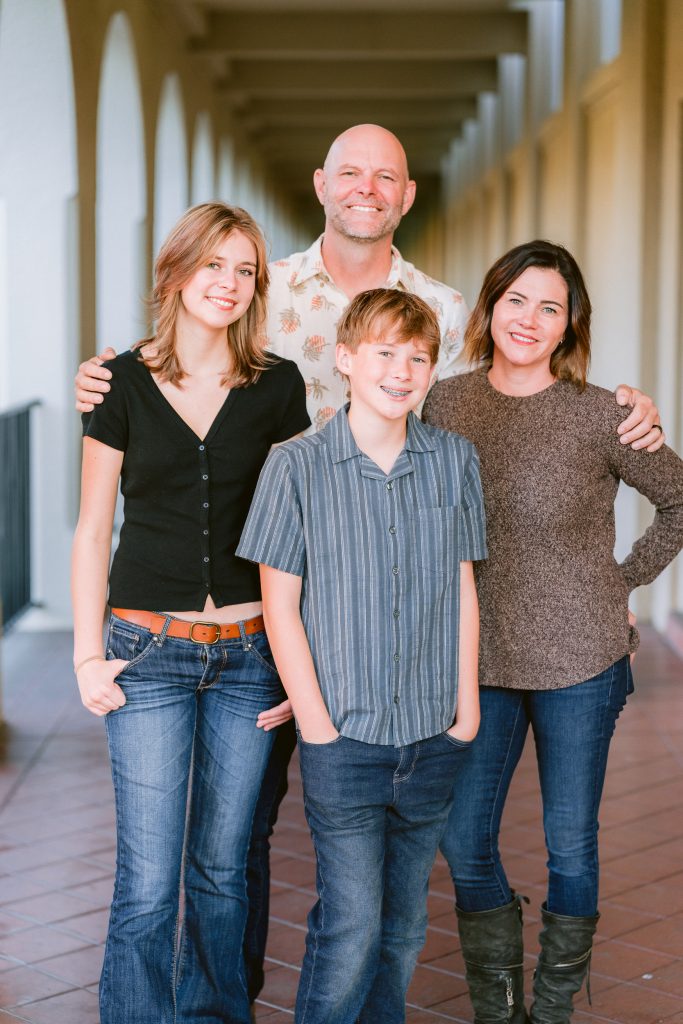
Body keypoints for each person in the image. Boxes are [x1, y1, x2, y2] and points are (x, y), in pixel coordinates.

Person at [72, 124, 664, 1003]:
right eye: (350, 172)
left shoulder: (443, 313)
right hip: (230, 613)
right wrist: (110, 372)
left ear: (407, 195)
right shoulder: (261, 301)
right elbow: (187, 341)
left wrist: (623, 421)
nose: (366, 188)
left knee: (231, 855)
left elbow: (506, 387)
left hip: (337, 629)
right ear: (320, 183)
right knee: (222, 848)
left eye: (384, 176)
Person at [422, 240, 683, 1023]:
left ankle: (553, 1008)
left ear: (569, 326)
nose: (528, 319)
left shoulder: (602, 414)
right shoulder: (443, 403)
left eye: (550, 307)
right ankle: (498, 1008)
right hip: (477, 658)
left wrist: (621, 578)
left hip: (580, 661)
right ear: (489, 306)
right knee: (463, 840)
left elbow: (677, 500)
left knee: (570, 843)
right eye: (515, 300)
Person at [71, 203, 310, 1024]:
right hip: (145, 654)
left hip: (250, 658)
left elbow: (298, 535)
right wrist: (84, 656)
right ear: (175, 272)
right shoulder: (120, 384)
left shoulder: (278, 386)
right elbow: (93, 526)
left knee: (219, 872)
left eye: (245, 270)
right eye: (213, 265)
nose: (229, 284)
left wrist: (299, 663)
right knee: (147, 876)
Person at [237, 288, 487, 1024]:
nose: (401, 370)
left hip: (433, 733)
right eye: (384, 353)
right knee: (351, 927)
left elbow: (464, 588)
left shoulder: (454, 460)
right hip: (341, 738)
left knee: (405, 927)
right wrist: (314, 726)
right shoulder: (295, 466)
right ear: (344, 359)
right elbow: (279, 606)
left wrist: (465, 713)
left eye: (418, 357)